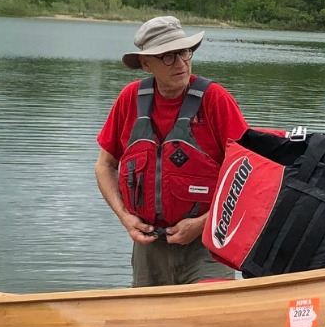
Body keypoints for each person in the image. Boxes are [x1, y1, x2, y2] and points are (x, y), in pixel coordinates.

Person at [95, 16, 247, 287]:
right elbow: (105, 166)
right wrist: (125, 217)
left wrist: (201, 224)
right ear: (145, 63)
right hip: (148, 247)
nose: (180, 63)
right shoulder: (129, 100)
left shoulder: (216, 100)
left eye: (184, 52)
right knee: (148, 324)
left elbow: (249, 173)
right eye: (167, 56)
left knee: (207, 319)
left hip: (208, 244)